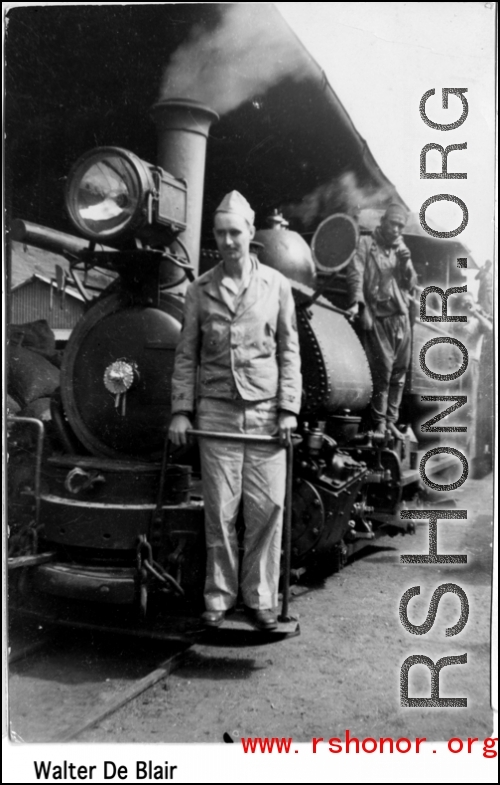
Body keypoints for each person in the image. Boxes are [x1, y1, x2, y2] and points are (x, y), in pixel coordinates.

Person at [168, 191, 302, 630]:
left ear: (251, 234)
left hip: (265, 415)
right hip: (217, 415)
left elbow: (288, 352)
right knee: (220, 511)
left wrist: (288, 410)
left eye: (235, 232)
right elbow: (187, 354)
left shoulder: (277, 287)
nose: (228, 241)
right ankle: (220, 597)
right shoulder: (199, 289)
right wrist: (181, 412)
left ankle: (260, 597)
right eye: (220, 233)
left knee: (266, 510)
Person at [346, 203, 417, 440]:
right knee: (382, 372)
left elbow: (410, 284)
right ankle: (378, 423)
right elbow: (355, 276)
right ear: (383, 221)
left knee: (399, 373)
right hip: (378, 317)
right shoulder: (366, 244)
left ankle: (390, 422)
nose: (397, 230)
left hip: (401, 318)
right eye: (393, 224)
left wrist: (406, 264)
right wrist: (359, 305)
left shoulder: (401, 249)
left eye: (400, 226)